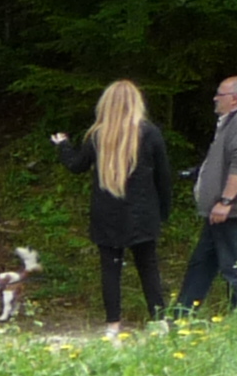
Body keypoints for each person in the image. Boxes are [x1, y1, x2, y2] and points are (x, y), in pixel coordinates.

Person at [50, 81, 180, 328]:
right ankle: (161, 321)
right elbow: (163, 177)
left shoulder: (98, 135)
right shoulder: (150, 132)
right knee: (148, 267)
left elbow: (76, 165)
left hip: (106, 214)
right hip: (143, 213)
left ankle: (112, 326)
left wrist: (63, 146)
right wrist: (163, 212)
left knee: (110, 269)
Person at [172, 74, 237, 317]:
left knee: (236, 267)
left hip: (233, 211)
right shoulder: (232, 121)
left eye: (220, 94)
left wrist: (226, 201)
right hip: (221, 212)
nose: (215, 98)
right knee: (202, 264)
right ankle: (182, 316)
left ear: (235, 99)